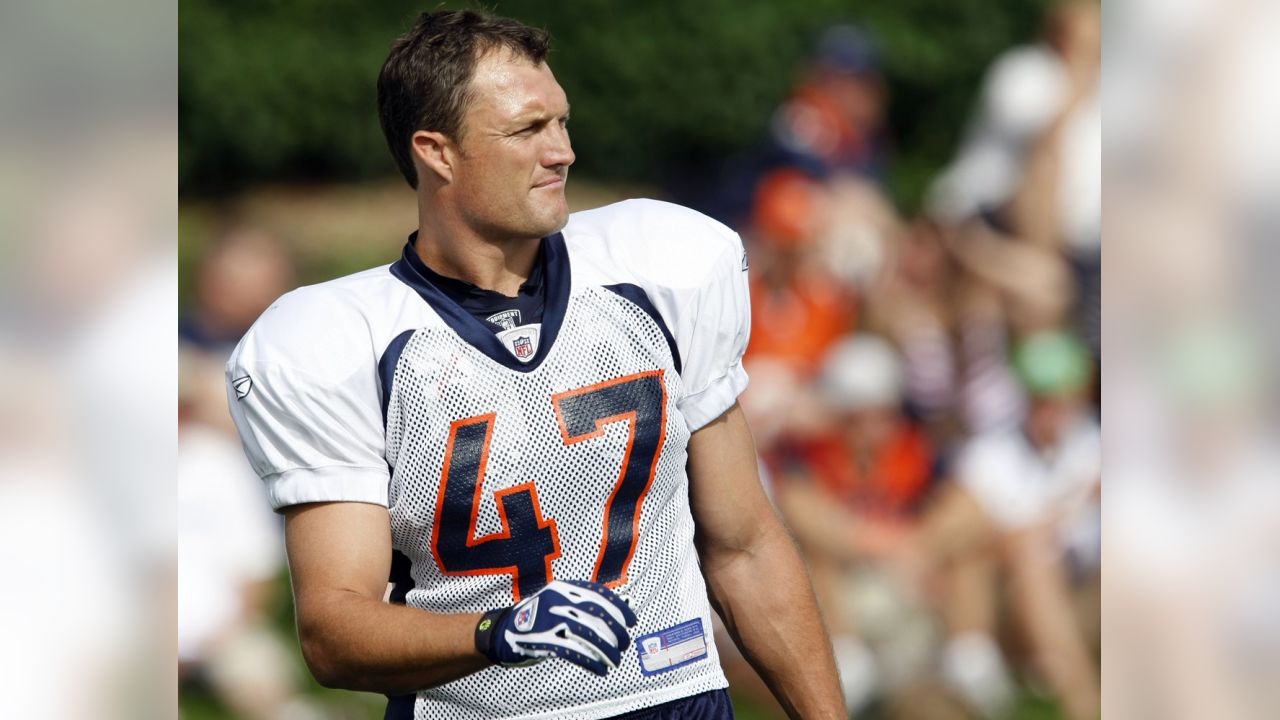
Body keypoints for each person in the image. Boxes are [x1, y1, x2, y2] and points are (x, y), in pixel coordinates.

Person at [225, 9, 843, 719]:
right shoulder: (339, 342)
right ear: (438, 152)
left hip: (673, 698)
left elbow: (745, 549)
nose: (563, 152)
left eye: (561, 122)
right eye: (528, 129)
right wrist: (496, 633)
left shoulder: (659, 271)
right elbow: (334, 629)